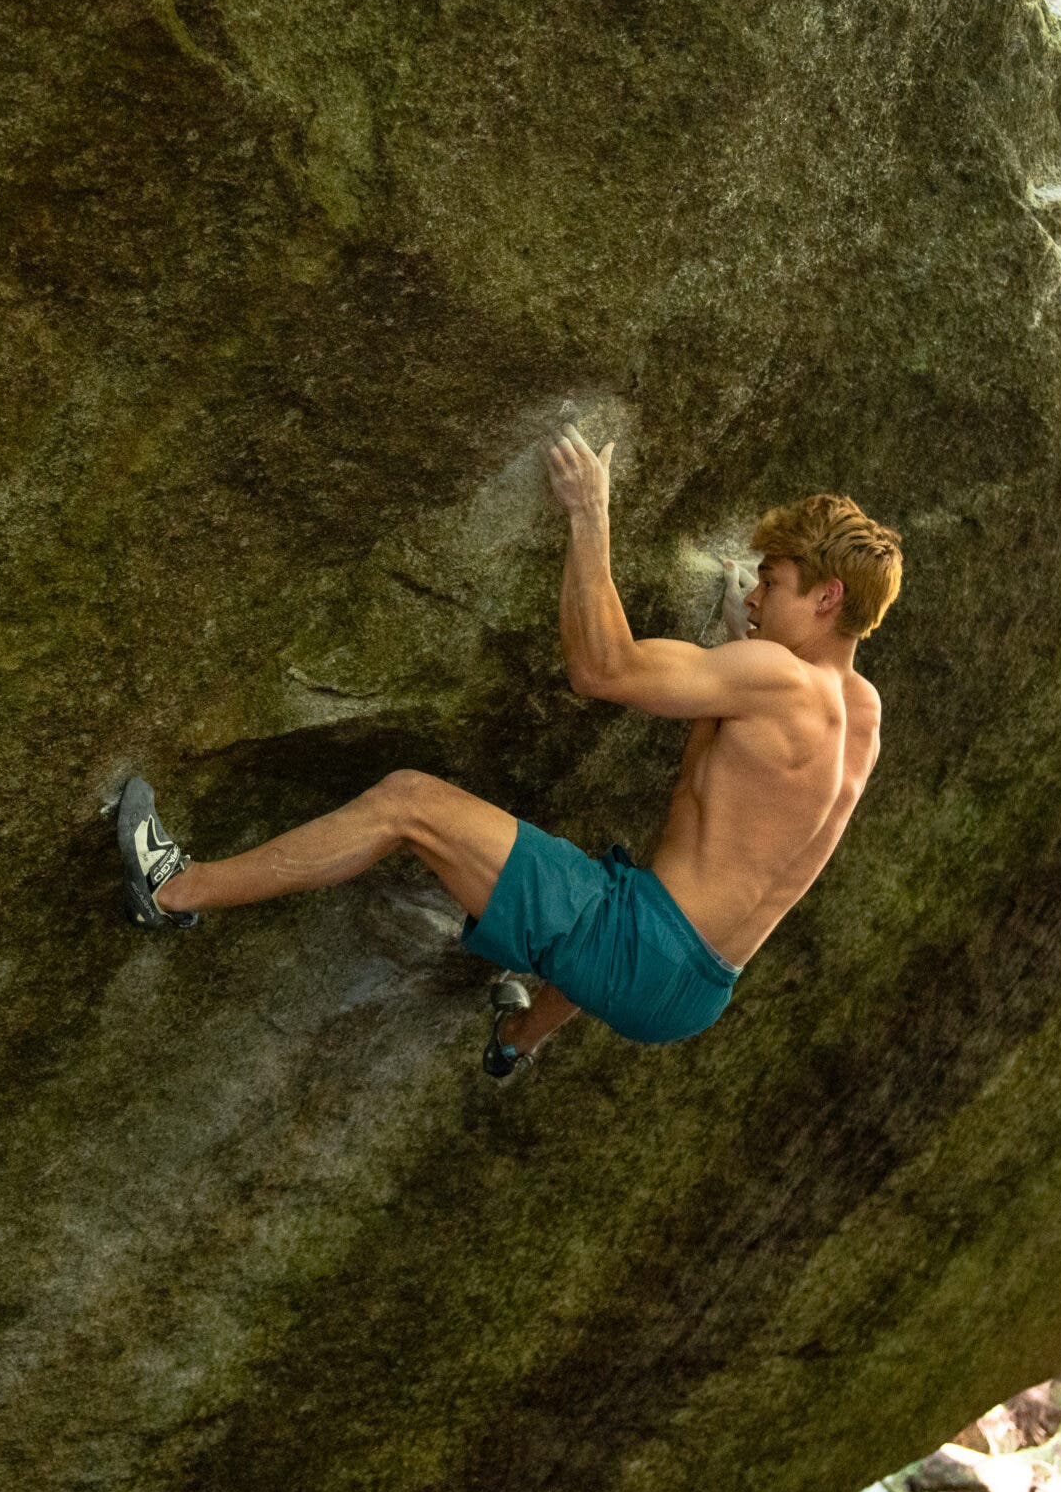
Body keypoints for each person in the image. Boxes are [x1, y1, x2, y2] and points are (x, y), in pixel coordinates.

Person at [112, 426, 899, 1079]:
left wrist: (590, 517)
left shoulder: (775, 680)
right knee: (619, 885)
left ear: (826, 597)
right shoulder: (860, 717)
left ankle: (175, 889)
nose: (755, 598)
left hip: (636, 947)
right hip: (697, 994)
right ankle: (519, 1039)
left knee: (409, 802)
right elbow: (741, 784)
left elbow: (602, 668)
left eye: (773, 581)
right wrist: (741, 640)